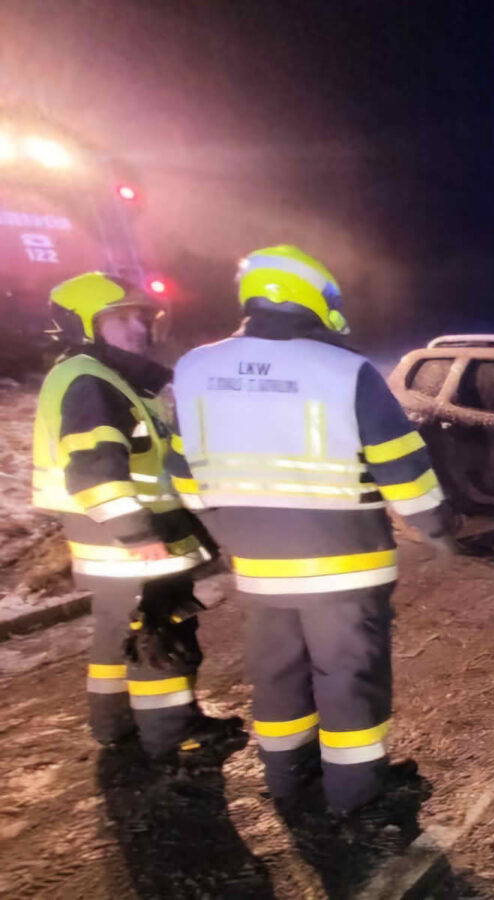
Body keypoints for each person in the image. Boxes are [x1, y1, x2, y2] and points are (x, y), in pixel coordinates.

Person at [167, 245, 454, 817]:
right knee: (348, 677)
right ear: (314, 299)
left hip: (257, 566)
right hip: (343, 565)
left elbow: (183, 472)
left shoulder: (196, 368)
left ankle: (286, 778)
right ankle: (357, 792)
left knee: (277, 673)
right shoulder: (344, 371)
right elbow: (401, 464)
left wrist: (227, 531)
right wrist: (435, 523)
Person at [31, 272, 238, 758]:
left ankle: (115, 724)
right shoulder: (91, 382)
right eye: (121, 318)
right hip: (132, 535)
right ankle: (173, 733)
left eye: (142, 317)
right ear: (84, 324)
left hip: (107, 536)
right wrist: (137, 533)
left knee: (119, 631)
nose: (138, 328)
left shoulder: (97, 377)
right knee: (160, 632)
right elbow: (94, 471)